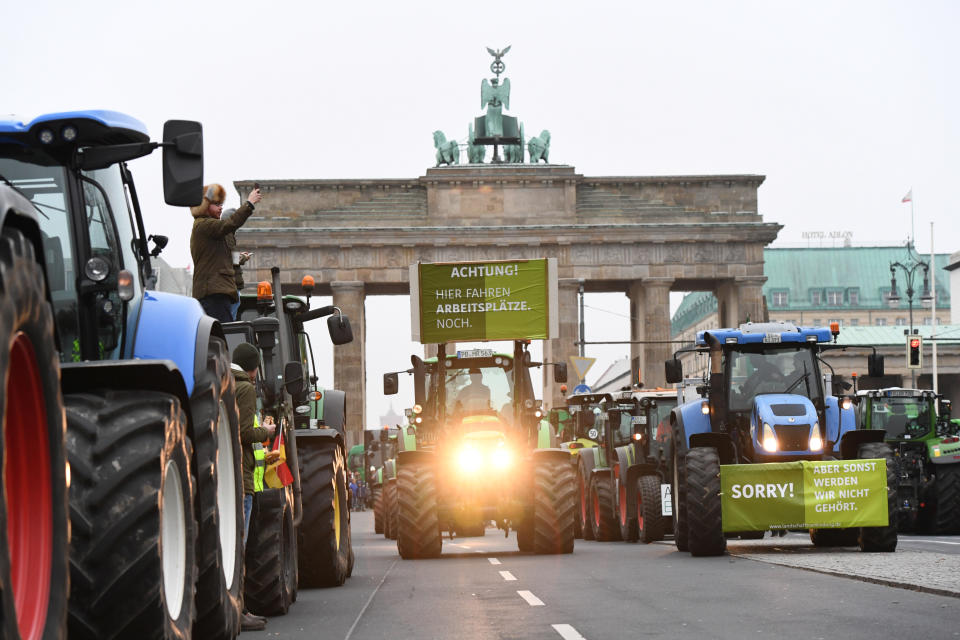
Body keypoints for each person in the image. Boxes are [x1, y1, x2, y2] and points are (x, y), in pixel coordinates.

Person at [232, 342, 276, 632]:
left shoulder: (223, 383)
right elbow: (245, 432)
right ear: (254, 366)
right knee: (242, 547)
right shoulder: (245, 388)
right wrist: (268, 431)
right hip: (245, 480)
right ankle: (241, 610)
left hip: (229, 475)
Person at [190, 183, 262, 324]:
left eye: (221, 204)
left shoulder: (211, 230)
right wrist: (249, 204)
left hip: (218, 292)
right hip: (214, 293)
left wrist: (240, 259)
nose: (220, 207)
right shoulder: (204, 225)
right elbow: (229, 223)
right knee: (223, 335)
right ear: (204, 206)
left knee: (225, 333)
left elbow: (222, 257)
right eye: (216, 204)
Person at [221, 206, 252, 321]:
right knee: (230, 319)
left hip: (231, 284)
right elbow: (229, 258)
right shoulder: (227, 234)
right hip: (232, 284)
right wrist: (242, 258)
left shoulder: (227, 234)